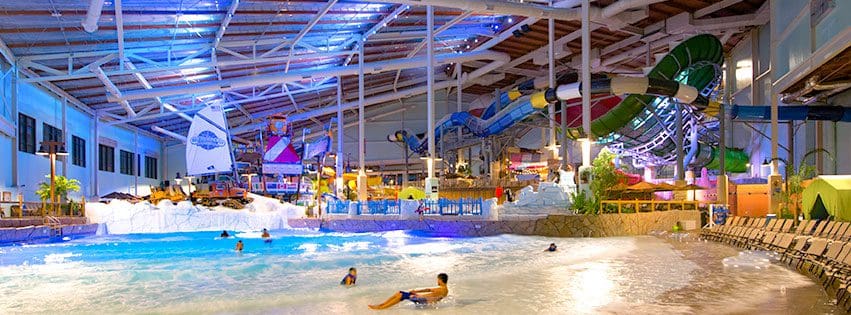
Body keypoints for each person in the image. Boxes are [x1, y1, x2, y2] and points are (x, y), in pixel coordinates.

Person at [368, 273, 449, 310]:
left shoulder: (441, 289)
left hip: (422, 301)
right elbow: (433, 296)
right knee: (399, 292)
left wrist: (416, 292)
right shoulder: (445, 290)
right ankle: (382, 304)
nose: (437, 281)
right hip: (423, 299)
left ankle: (382, 308)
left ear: (441, 280)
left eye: (438, 279)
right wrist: (418, 295)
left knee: (401, 295)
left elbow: (428, 290)